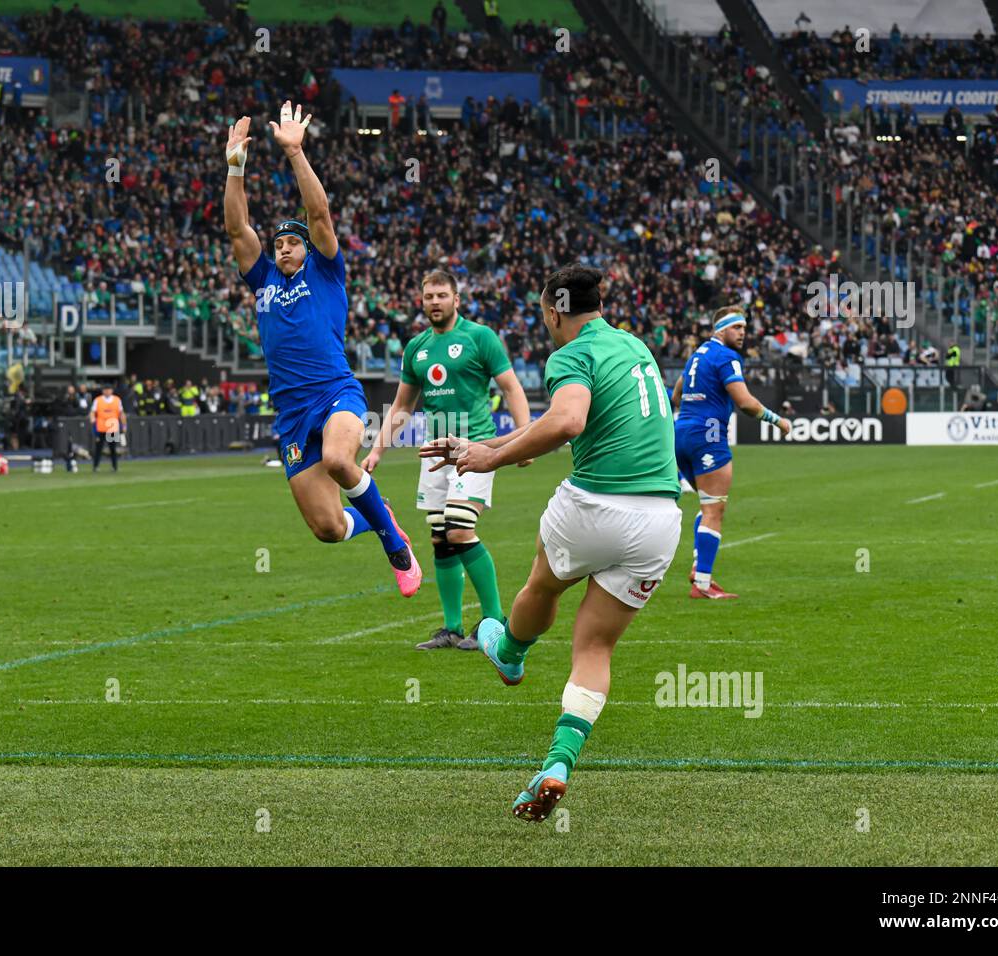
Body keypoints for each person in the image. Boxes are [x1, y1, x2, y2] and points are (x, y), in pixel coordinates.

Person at [419, 264, 681, 821]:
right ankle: (559, 763)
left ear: (554, 311)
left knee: (544, 582)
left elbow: (565, 421)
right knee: (594, 648)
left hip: (595, 506)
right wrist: (487, 441)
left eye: (544, 315)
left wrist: (489, 458)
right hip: (660, 518)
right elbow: (559, 422)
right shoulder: (634, 347)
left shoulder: (570, 354)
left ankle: (509, 653)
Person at [224, 101, 421, 597]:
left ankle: (393, 541)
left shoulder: (325, 270)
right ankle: (376, 513)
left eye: (293, 243)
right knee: (328, 528)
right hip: (291, 413)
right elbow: (236, 229)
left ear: (307, 248)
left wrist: (294, 153)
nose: (285, 248)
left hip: (336, 393)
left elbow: (320, 213)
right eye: (279, 244)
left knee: (338, 459)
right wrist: (235, 168)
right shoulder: (263, 279)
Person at [364, 269, 531, 650]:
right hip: (435, 452)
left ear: (457, 299)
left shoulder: (480, 337)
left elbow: (511, 387)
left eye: (441, 295)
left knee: (458, 529)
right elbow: (403, 405)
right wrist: (376, 449)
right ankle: (452, 628)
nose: (434, 302)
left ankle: (495, 620)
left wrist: (524, 438)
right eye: (428, 296)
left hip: (475, 447)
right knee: (441, 538)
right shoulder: (417, 348)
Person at [670, 306, 790, 599]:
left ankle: (699, 568)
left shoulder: (698, 354)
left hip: (681, 433)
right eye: (737, 328)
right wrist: (778, 421)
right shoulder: (726, 357)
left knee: (706, 504)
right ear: (721, 329)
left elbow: (676, 395)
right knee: (715, 509)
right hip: (708, 436)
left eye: (745, 329)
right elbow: (745, 403)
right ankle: (702, 584)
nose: (743, 334)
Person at [90, 383, 126, 473]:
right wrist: (92, 419)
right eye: (105, 389)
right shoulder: (98, 400)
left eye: (109, 389)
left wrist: (124, 425)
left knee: (113, 448)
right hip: (101, 427)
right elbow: (92, 412)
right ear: (103, 391)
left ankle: (114, 466)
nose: (107, 391)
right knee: (99, 448)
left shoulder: (117, 400)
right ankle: (96, 466)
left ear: (112, 391)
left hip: (112, 427)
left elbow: (121, 413)